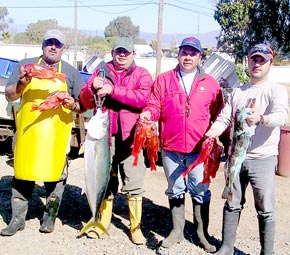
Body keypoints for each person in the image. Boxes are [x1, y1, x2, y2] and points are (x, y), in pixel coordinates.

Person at [139, 37, 224, 252]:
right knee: (175, 190)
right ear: (178, 55)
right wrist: (149, 113)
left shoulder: (211, 84)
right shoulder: (164, 80)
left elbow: (220, 114)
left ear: (200, 57)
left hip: (199, 150)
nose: (188, 57)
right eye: (184, 52)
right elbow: (154, 104)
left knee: (200, 192)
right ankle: (176, 231)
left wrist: (224, 141)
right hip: (171, 148)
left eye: (193, 53)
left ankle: (201, 234)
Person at [205, 43, 289, 255]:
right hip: (236, 157)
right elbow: (225, 117)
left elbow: (282, 116)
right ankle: (226, 247)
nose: (257, 64)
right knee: (232, 202)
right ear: (248, 62)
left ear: (270, 63)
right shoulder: (238, 91)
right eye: (254, 59)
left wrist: (262, 118)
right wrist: (213, 131)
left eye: (262, 60)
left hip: (263, 158)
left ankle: (266, 251)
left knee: (265, 209)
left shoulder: (276, 90)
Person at [1, 29, 84, 236]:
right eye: (49, 43)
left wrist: (73, 103)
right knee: (22, 175)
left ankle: (49, 217)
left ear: (63, 48)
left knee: (55, 177)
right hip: (29, 131)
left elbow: (84, 106)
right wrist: (22, 83)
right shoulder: (26, 65)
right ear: (43, 45)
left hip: (56, 135)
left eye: (58, 44)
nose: (53, 47)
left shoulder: (71, 73)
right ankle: (17, 219)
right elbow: (10, 96)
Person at [79, 37, 153, 244]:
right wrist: (91, 88)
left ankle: (135, 227)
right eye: (118, 51)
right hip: (104, 137)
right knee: (105, 179)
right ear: (112, 53)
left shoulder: (142, 74)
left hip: (131, 138)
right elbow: (84, 101)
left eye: (126, 52)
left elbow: (143, 98)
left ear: (133, 55)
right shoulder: (100, 72)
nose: (122, 55)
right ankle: (100, 222)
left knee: (134, 181)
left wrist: (114, 90)